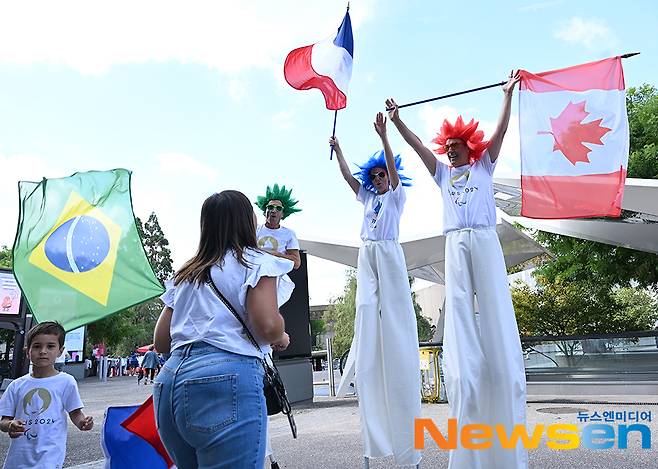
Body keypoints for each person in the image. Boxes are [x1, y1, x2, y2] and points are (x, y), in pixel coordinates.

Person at [386, 70, 527, 469]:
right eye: (446, 147)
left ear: (469, 147)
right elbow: (416, 148)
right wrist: (398, 122)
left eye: (454, 146)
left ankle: (502, 368)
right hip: (455, 240)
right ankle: (467, 374)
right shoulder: (444, 174)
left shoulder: (483, 168)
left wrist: (506, 96)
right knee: (460, 308)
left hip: (483, 238)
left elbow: (501, 132)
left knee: (496, 304)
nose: (449, 151)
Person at [152, 190, 294, 469]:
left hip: (169, 384)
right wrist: (282, 335)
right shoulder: (256, 262)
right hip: (226, 379)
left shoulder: (187, 272)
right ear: (246, 222)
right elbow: (266, 325)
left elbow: (161, 341)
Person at [331, 112, 421, 468]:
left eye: (382, 174)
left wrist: (385, 136)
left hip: (388, 250)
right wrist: (339, 150)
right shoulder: (367, 198)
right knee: (366, 306)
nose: (378, 179)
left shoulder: (395, 197)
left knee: (395, 307)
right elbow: (347, 178)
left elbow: (394, 171)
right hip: (367, 252)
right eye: (375, 176)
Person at [0, 321, 93, 469]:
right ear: (28, 351)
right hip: (18, 460)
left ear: (60, 351)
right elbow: (4, 421)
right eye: (37, 346)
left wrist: (83, 423)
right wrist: (10, 425)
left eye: (50, 346)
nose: (43, 351)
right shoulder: (16, 386)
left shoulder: (66, 382)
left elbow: (75, 413)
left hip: (49, 457)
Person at [254, 184, 302, 270]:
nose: (273, 210)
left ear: (283, 214)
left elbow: (297, 263)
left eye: (278, 208)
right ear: (265, 212)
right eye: (270, 207)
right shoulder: (254, 229)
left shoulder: (289, 234)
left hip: (278, 276)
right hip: (254, 273)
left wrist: (276, 255)